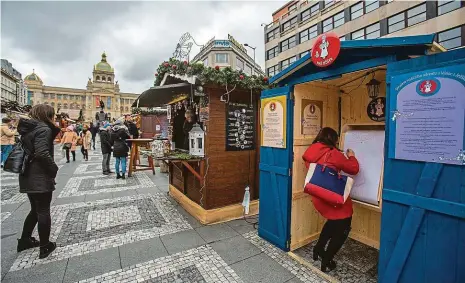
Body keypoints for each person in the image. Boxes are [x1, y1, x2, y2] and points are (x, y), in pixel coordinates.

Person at [302, 127, 359, 272]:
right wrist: (351, 156)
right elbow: (354, 168)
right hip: (333, 196)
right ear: (333, 139)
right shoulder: (333, 153)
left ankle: (318, 249)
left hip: (318, 195)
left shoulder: (312, 150)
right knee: (343, 227)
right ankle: (327, 259)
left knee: (333, 222)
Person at [17, 104, 60, 259]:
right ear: (47, 115)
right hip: (39, 176)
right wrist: (53, 168)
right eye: (53, 115)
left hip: (28, 174)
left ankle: (25, 240)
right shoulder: (43, 129)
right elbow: (42, 153)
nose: (54, 118)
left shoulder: (29, 129)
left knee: (35, 210)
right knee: (42, 210)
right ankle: (45, 246)